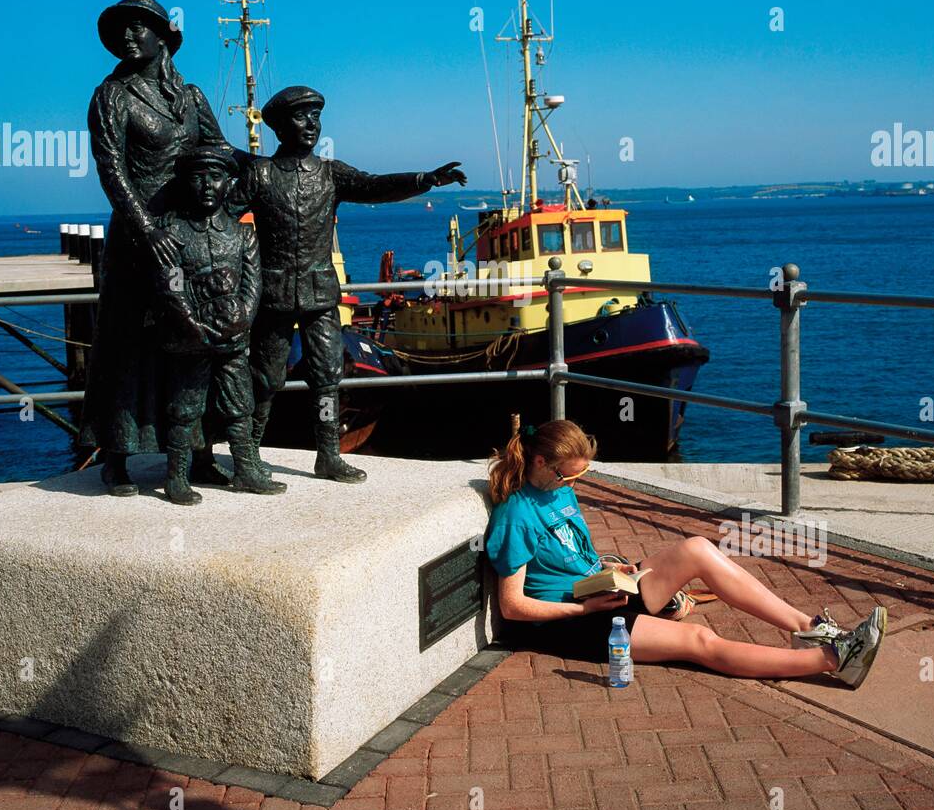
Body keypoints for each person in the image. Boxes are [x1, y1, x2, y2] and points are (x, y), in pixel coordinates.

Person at [483, 415, 886, 685]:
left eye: (580, 473)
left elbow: (568, 552)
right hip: (568, 620)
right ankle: (834, 661)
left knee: (697, 549)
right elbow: (513, 607)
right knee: (697, 640)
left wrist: (611, 568)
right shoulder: (516, 515)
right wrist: (584, 609)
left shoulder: (558, 491)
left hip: (600, 590)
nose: (573, 481)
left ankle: (809, 629)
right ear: (539, 461)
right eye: (567, 474)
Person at [235, 84, 465, 485]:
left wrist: (425, 179)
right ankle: (249, 457)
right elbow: (221, 215)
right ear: (279, 126)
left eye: (316, 117)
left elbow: (376, 185)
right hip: (272, 294)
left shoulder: (331, 173)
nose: (311, 124)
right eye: (301, 116)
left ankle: (328, 454)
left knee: (327, 376)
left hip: (321, 294)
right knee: (265, 378)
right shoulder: (260, 174)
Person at [80, 0, 234, 496]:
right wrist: (147, 228)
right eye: (122, 28)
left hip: (188, 237)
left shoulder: (190, 97)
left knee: (193, 345)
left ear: (164, 36)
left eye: (140, 26)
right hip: (135, 237)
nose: (129, 35)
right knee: (126, 346)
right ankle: (117, 456)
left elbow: (221, 153)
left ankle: (198, 453)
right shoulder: (111, 95)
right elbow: (112, 169)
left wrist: (273, 166)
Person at [153, 142, 274, 504]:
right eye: (198, 177)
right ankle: (176, 475)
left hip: (233, 336)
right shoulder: (172, 232)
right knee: (185, 408)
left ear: (228, 183)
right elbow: (169, 282)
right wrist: (191, 322)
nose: (207, 185)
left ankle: (247, 468)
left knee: (240, 403)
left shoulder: (242, 234)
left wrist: (242, 319)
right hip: (189, 337)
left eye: (216, 177)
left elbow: (254, 284)